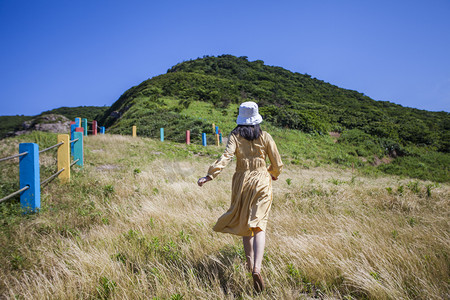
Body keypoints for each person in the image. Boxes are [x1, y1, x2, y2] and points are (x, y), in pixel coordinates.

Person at [197, 101, 283, 293]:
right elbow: (277, 162)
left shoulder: (235, 135)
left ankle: (249, 265)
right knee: (259, 225)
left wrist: (210, 175)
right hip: (262, 180)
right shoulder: (266, 136)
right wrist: (273, 173)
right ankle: (257, 268)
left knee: (246, 226)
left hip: (242, 181)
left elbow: (226, 157)